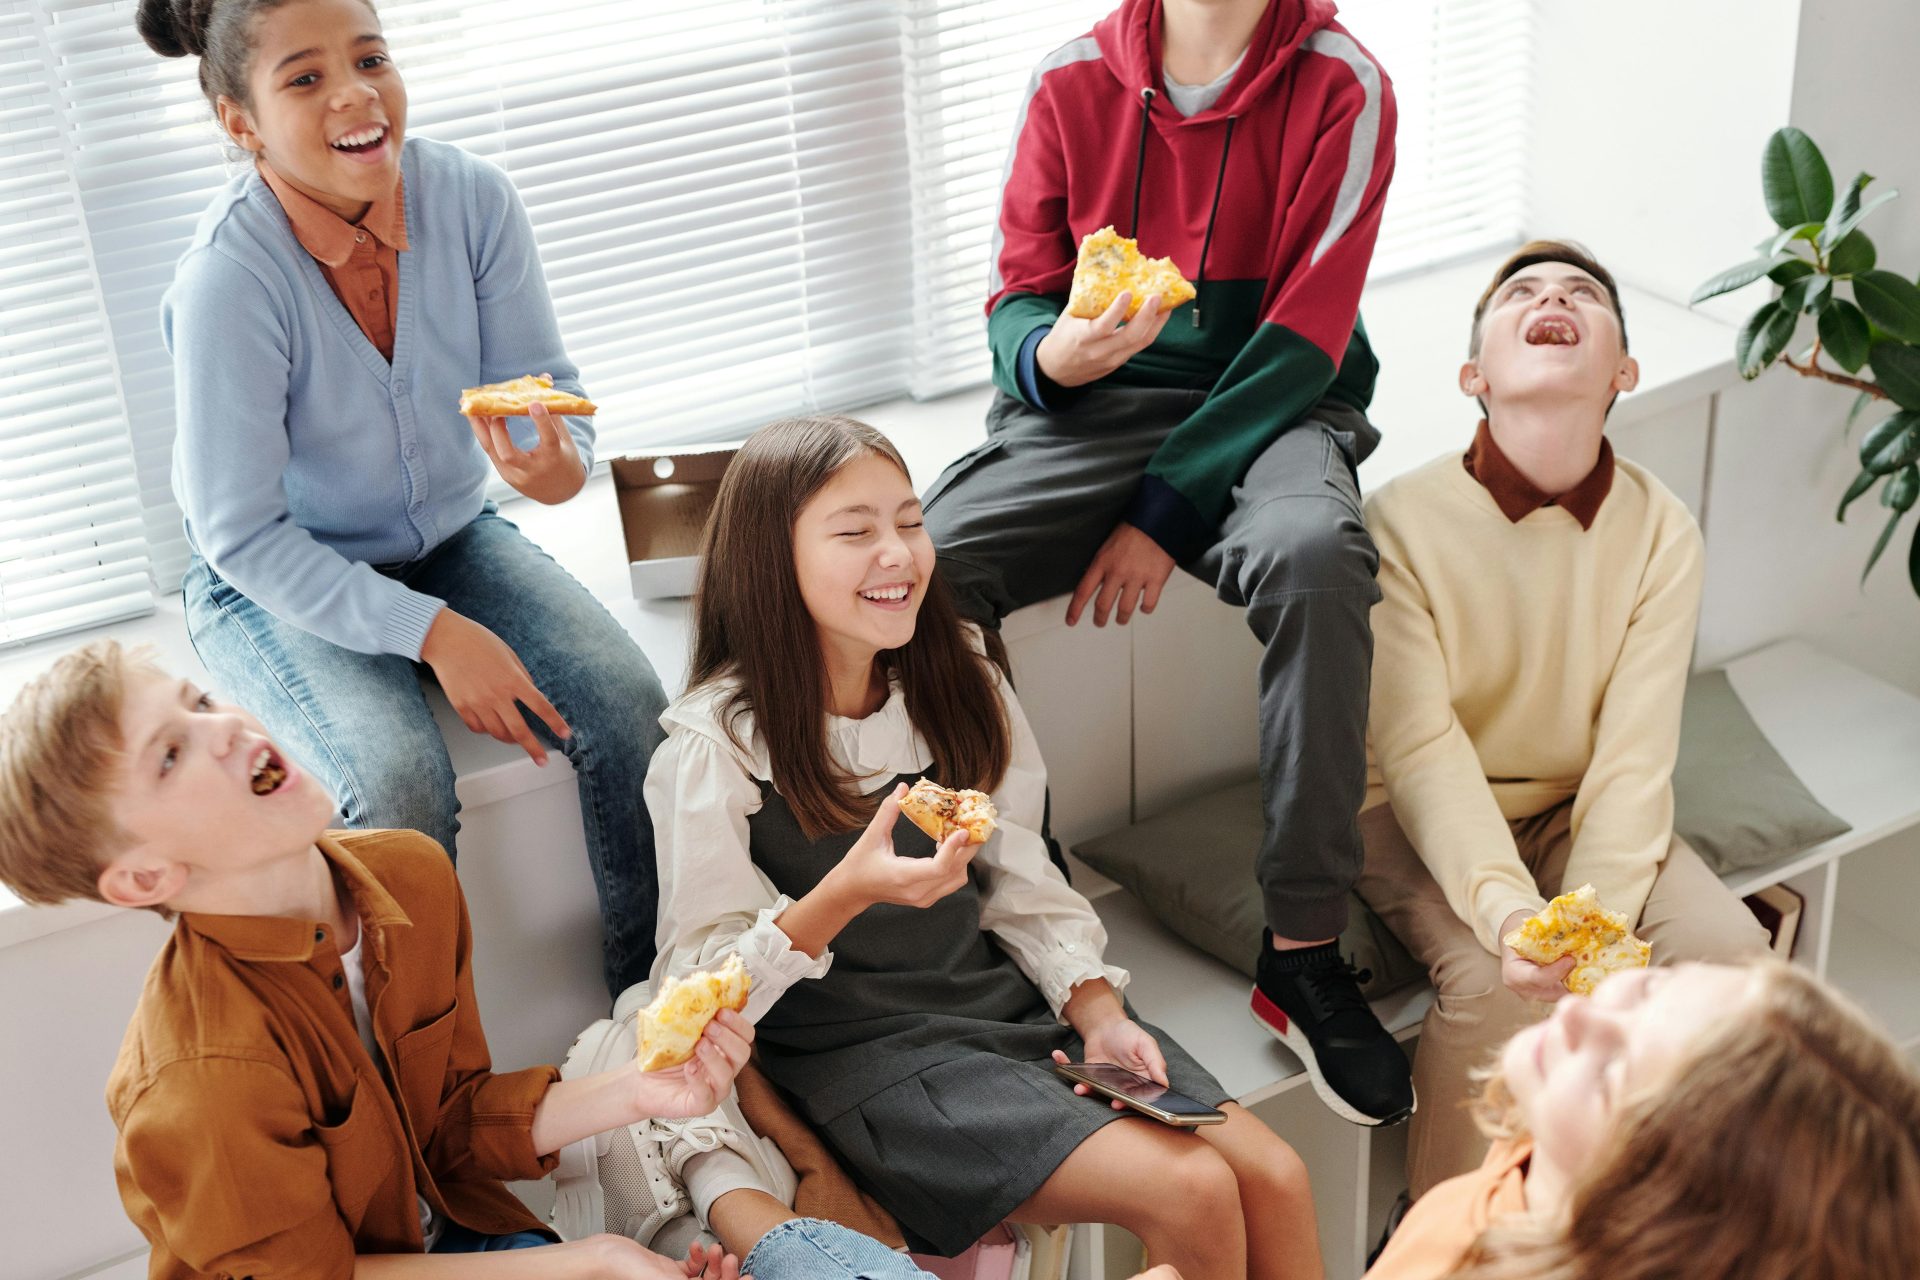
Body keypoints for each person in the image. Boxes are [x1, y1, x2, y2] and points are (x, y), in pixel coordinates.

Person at [0, 641, 931, 1277]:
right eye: (171, 754)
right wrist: (582, 1263)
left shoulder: (408, 876)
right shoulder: (197, 1082)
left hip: (461, 1240)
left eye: (199, 702)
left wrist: (646, 1094)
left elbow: (451, 1126)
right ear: (142, 877)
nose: (227, 726)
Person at [648, 417, 1321, 1280]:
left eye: (910, 521)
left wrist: (1098, 1012)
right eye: (855, 531)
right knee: (1192, 1190)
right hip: (869, 1057)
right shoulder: (714, 747)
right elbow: (699, 990)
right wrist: (847, 892)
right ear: (770, 560)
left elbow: (1024, 877)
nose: (897, 553)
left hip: (1014, 1008)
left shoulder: (958, 670)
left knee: (1276, 1177)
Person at [920, 0, 1411, 1126]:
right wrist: (1056, 351)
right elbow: (1017, 296)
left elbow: (1307, 332)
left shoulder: (1347, 85)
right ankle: (1038, 943)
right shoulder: (1070, 81)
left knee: (1316, 555)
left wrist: (1166, 506)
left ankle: (1302, 948)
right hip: (1100, 403)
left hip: (1280, 393)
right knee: (926, 571)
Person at [136, 0, 666, 998]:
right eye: (303, 78)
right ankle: (434, 1086)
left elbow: (552, 409)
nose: (354, 91)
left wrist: (548, 467)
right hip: (274, 575)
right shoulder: (228, 282)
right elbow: (241, 531)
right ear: (237, 120)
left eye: (370, 56)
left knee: (632, 704)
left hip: (451, 537)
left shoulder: (474, 200)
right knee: (393, 782)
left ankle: (656, 1019)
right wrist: (435, 634)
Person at [1356, 241, 1773, 1195]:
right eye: (1522, 296)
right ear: (1475, 375)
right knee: (1499, 1001)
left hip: (1575, 805)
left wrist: (1589, 931)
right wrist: (1511, 919)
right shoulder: (1400, 522)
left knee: (1736, 963)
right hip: (1411, 815)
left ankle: (1671, 1219)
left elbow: (1634, 759)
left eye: (1583, 293)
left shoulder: (1663, 529)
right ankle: (1446, 1242)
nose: (1554, 299)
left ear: (1624, 370)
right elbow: (1420, 748)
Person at [1363, 960, 1920, 1280]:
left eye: (1612, 1074)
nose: (1580, 1010)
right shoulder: (1560, 1153)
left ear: (1649, 1219)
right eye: (1654, 986)